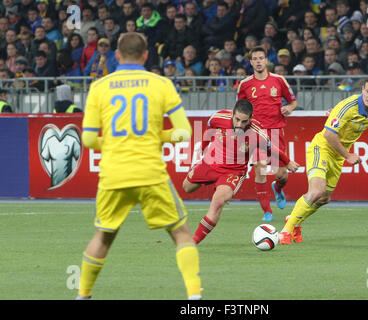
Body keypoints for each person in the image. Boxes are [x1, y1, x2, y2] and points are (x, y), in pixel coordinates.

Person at [77, 32, 202, 300]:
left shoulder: (99, 88)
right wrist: (157, 136)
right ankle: (194, 298)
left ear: (117, 56)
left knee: (103, 237)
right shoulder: (161, 84)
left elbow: (87, 139)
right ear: (146, 56)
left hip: (114, 175)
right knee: (181, 233)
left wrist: (111, 142)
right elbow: (184, 132)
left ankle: (83, 295)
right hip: (150, 174)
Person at [279, 76, 368, 245]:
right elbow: (329, 134)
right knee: (316, 191)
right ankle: (284, 233)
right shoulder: (347, 107)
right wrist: (349, 156)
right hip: (321, 147)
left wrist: (333, 115)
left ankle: (294, 220)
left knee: (324, 199)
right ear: (362, 90)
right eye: (367, 91)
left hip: (337, 156)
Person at [183, 99, 299, 244]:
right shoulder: (219, 117)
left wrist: (287, 162)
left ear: (250, 118)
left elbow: (272, 149)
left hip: (233, 172)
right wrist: (205, 146)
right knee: (187, 187)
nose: (239, 125)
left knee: (217, 203)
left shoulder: (257, 133)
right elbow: (209, 126)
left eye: (244, 121)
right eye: (237, 119)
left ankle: (191, 243)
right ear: (232, 114)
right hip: (210, 163)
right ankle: (212, 183)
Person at [237, 46, 298, 222]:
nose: (258, 61)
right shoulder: (245, 84)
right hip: (255, 132)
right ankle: (267, 211)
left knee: (281, 175)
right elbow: (239, 111)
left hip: (276, 130)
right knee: (260, 169)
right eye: (254, 58)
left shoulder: (279, 80)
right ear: (250, 62)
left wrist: (289, 108)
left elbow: (293, 102)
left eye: (261, 58)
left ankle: (278, 188)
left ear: (266, 61)